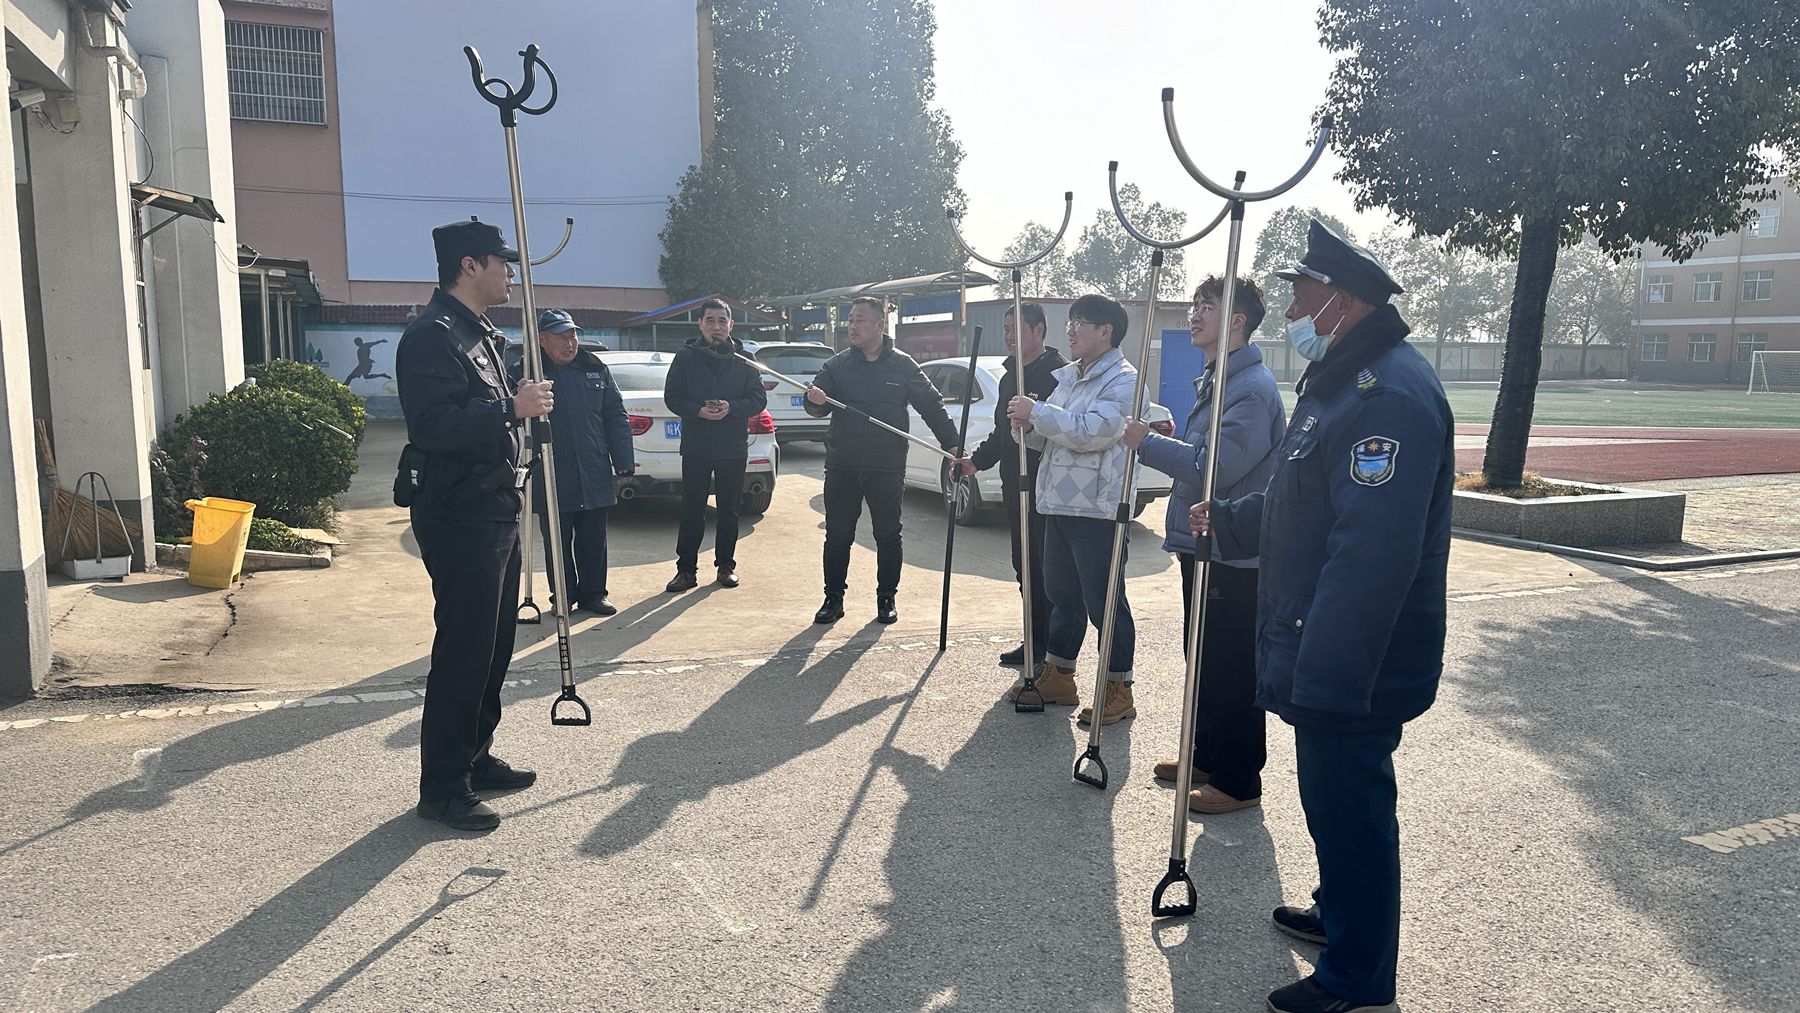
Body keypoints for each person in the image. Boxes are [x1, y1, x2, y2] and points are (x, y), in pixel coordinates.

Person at [1191, 219, 1452, 1013]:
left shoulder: (1390, 396)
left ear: (1341, 300)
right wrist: (1233, 520)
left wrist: (1328, 678)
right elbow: (1298, 498)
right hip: (1321, 645)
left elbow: (1370, 556)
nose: (1293, 308)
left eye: (1301, 293)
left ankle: (1360, 979)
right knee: (1332, 807)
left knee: (1353, 811)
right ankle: (1343, 915)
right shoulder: (1340, 384)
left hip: (1350, 660)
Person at [395, 220, 552, 832]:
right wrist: (509, 407)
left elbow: (485, 415)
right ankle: (442, 786)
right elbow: (432, 427)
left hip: (495, 505)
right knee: (463, 647)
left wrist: (519, 412)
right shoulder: (431, 337)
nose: (509, 274)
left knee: (493, 646)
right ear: (469, 266)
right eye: (501, 263)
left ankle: (475, 756)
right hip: (459, 512)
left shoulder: (481, 334)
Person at [1123, 276, 1284, 814]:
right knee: (1205, 656)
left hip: (1232, 549)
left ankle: (1238, 780)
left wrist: (1147, 443)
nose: (1193, 315)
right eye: (1194, 305)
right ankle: (1207, 756)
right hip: (1203, 542)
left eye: (1206, 307)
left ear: (1237, 321)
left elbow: (1214, 467)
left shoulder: (1249, 389)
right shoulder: (1219, 379)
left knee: (1231, 662)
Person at [1006, 294, 1137, 725]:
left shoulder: (1123, 380)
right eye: (1072, 321)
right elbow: (1056, 434)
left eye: (1083, 323)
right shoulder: (1070, 377)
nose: (1072, 330)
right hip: (1058, 502)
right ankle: (1060, 674)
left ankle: (1118, 687)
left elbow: (1093, 432)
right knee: (1061, 596)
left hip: (1097, 508)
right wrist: (1028, 427)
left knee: (1104, 602)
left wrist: (1039, 413)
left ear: (1107, 332)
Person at [805, 295, 964, 625]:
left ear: (880, 325)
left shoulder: (903, 366)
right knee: (837, 535)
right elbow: (815, 405)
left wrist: (954, 446)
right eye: (850, 320)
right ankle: (833, 598)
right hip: (842, 464)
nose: (852, 325)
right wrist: (816, 402)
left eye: (860, 319)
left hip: (886, 465)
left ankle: (886, 598)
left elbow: (932, 407)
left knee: (888, 535)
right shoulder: (837, 365)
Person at [955, 302, 1067, 668]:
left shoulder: (1060, 375)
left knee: (1049, 568)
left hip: (1047, 488)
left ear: (1039, 332)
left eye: (1016, 330)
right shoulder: (1008, 378)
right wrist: (976, 462)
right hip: (1013, 488)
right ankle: (1033, 639)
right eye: (1005, 330)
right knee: (1024, 565)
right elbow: (1001, 434)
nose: (1008, 337)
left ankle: (1056, 649)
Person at [508, 308, 634, 617]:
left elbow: (615, 416)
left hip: (592, 468)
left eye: (573, 335)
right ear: (542, 340)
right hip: (551, 471)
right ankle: (562, 596)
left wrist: (624, 461)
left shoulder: (594, 369)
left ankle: (594, 594)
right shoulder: (523, 374)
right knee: (556, 541)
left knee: (594, 539)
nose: (570, 343)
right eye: (561, 337)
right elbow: (507, 418)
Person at [663, 298, 767, 591]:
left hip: (732, 447)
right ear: (700, 324)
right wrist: (698, 410)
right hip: (696, 446)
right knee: (691, 511)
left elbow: (759, 399)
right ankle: (686, 571)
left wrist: (731, 407)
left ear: (731, 325)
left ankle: (725, 566)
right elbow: (672, 396)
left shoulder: (744, 359)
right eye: (710, 320)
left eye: (722, 321)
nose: (717, 327)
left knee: (729, 511)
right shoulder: (685, 357)